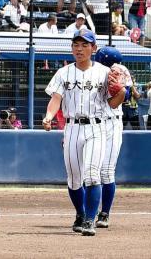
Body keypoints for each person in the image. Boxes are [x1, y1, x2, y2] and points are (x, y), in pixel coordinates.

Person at [42, 29, 125, 236]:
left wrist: (122, 92)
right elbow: (56, 99)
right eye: (76, 45)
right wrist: (49, 116)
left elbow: (113, 104)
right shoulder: (63, 72)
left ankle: (90, 220)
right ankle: (80, 213)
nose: (79, 49)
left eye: (84, 45)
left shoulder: (105, 73)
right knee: (74, 178)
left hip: (96, 127)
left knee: (92, 175)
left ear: (93, 48)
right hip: (71, 128)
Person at [93, 46, 131, 229]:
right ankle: (87, 213)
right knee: (90, 171)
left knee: (106, 171)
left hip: (113, 122)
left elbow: (128, 94)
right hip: (93, 122)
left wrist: (122, 90)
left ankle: (105, 213)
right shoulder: (91, 71)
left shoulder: (121, 70)